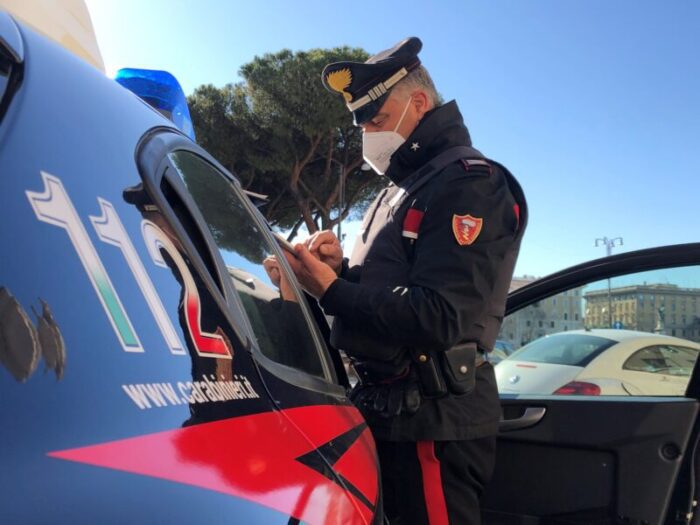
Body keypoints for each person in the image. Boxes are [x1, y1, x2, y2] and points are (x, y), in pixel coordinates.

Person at [285, 37, 528, 525]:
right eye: (364, 125)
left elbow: (440, 314)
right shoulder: (398, 192)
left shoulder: (468, 184)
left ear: (418, 102)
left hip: (434, 423)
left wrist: (332, 290)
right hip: (392, 413)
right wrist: (339, 273)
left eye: (377, 120)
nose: (369, 135)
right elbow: (388, 291)